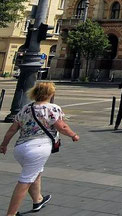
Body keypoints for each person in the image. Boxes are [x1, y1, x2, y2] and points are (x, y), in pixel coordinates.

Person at [1, 82, 79, 216]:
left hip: (20, 148)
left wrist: (4, 144)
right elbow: (62, 127)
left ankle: (38, 200)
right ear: (50, 94)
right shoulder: (52, 108)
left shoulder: (26, 108)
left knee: (35, 173)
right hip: (38, 148)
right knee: (25, 180)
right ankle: (11, 214)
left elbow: (13, 129)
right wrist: (74, 135)